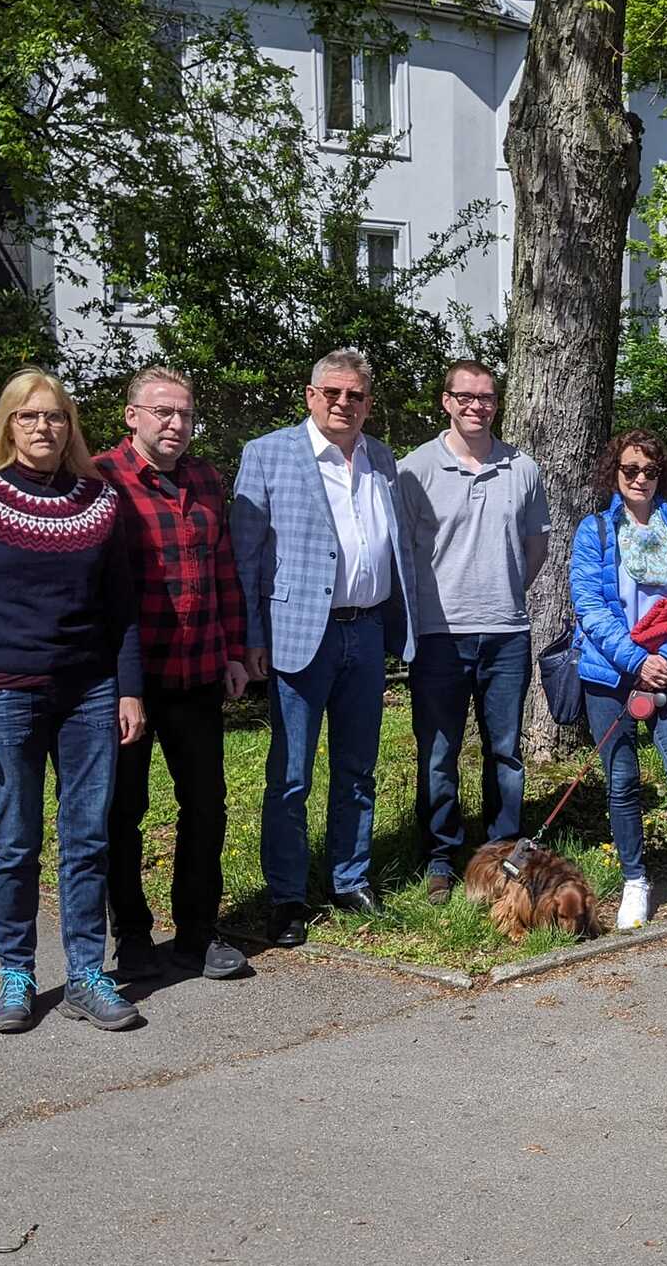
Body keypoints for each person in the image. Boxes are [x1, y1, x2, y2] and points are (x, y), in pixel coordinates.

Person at [0, 366, 146, 1033]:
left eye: (54, 416)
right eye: (29, 416)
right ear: (8, 424)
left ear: (70, 425)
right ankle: (17, 974)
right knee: (16, 840)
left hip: (89, 691)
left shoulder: (99, 500)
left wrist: (130, 687)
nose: (43, 427)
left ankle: (86, 974)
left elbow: (123, 610)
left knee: (86, 840)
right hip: (2, 693)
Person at [231, 348, 415, 948]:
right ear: (311, 396)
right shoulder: (268, 454)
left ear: (368, 401)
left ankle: (348, 878)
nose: (343, 404)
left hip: (365, 634)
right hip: (297, 636)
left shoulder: (382, 458)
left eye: (355, 395)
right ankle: (286, 896)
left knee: (358, 768)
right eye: (332, 393)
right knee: (290, 776)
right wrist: (251, 638)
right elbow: (246, 557)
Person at [95, 366, 250, 983]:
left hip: (198, 672)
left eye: (184, 413)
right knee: (122, 811)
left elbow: (225, 572)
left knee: (205, 806)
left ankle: (196, 932)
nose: (175, 424)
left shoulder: (206, 478)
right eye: (162, 412)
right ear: (132, 415)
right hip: (127, 682)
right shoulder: (101, 479)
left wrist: (235, 653)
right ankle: (130, 935)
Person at [571, 429, 667, 954]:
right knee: (621, 782)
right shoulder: (594, 531)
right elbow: (589, 606)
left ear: (663, 476)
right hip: (610, 674)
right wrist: (638, 661)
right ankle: (636, 880)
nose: (640, 479)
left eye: (650, 471)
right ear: (613, 473)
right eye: (630, 469)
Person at [397, 359, 550, 904]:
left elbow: (536, 548)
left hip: (506, 631)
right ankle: (441, 855)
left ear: (496, 403)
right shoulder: (413, 470)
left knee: (505, 751)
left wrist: (502, 591)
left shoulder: (522, 468)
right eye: (465, 396)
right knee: (438, 751)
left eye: (486, 397)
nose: (476, 406)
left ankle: (503, 853)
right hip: (438, 634)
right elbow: (400, 555)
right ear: (446, 401)